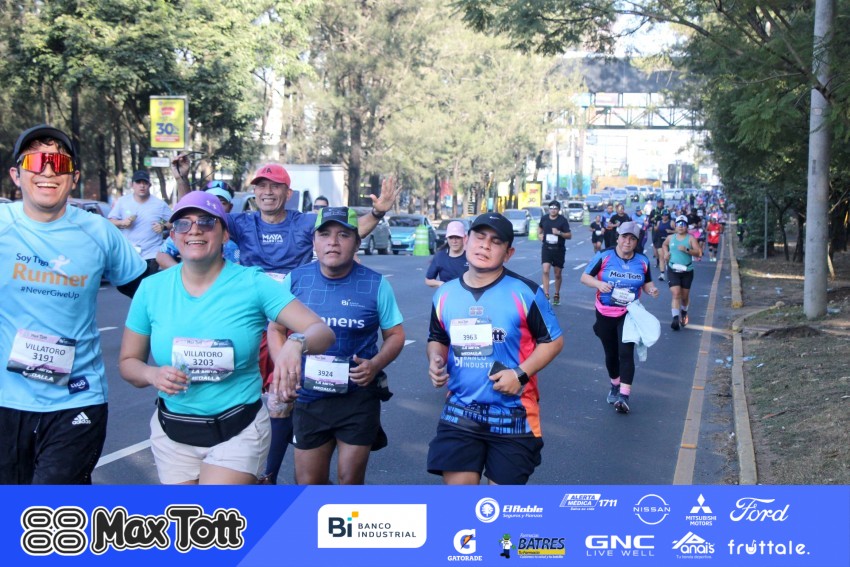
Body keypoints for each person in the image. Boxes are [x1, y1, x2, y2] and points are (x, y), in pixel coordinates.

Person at [171, 156, 399, 484]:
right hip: (251, 318)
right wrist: (182, 181)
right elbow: (196, 215)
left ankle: (268, 475)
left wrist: (377, 213)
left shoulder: (304, 223)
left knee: (282, 399)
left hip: (293, 315)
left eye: (275, 186)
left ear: (287, 193)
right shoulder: (242, 222)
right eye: (261, 186)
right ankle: (237, 469)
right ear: (253, 193)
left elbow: (344, 233)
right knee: (234, 390)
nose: (267, 192)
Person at [118, 191, 335, 484]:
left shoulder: (253, 283)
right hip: (173, 431)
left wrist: (296, 344)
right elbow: (128, 363)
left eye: (206, 222)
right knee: (186, 515)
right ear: (174, 235)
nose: (194, 230)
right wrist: (152, 374)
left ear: (224, 235)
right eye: (183, 223)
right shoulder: (151, 289)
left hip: (238, 429)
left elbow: (321, 331)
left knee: (216, 510)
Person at [1, 124, 147, 484]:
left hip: (76, 399)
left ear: (74, 177)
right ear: (17, 175)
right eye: (36, 161)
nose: (48, 171)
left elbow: (149, 293)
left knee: (52, 508)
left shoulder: (98, 232)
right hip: (6, 400)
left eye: (60, 163)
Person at [269, 207, 405, 484]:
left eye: (343, 235)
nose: (333, 242)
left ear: (357, 242)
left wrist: (375, 364)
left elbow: (395, 335)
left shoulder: (376, 284)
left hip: (357, 397)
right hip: (308, 397)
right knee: (308, 483)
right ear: (314, 241)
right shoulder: (295, 280)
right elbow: (275, 329)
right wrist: (284, 370)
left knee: (349, 480)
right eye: (325, 234)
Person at [426, 213, 564, 484]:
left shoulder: (526, 292)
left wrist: (519, 374)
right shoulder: (444, 294)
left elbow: (553, 341)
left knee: (498, 507)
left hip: (514, 415)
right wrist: (435, 359)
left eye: (496, 241)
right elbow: (437, 337)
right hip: (461, 411)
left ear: (508, 253)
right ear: (467, 241)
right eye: (479, 237)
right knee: (459, 504)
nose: (485, 245)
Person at [580, 221, 661, 414]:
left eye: (632, 239)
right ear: (618, 237)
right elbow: (585, 277)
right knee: (611, 353)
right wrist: (599, 284)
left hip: (629, 313)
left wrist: (652, 290)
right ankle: (615, 385)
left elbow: (647, 283)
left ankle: (624, 396)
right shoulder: (604, 256)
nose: (627, 242)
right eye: (625, 237)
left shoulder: (642, 261)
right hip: (605, 312)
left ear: (637, 242)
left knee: (626, 352)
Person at [156, 182, 240, 269]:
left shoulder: (232, 246)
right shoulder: (182, 234)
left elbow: (235, 268)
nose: (194, 231)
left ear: (225, 235)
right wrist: (182, 273)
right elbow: (162, 254)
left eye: (221, 202)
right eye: (208, 202)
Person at [109, 170, 173, 278]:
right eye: (138, 182)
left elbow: (174, 222)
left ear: (149, 185)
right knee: (129, 285)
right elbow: (110, 221)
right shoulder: (122, 202)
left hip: (152, 254)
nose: (142, 186)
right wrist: (122, 222)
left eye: (145, 183)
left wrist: (164, 226)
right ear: (132, 185)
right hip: (129, 253)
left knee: (147, 282)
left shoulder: (159, 204)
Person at [662, 215, 702, 330]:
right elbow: (664, 244)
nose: (680, 227)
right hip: (673, 269)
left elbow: (699, 253)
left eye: (683, 224)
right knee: (676, 293)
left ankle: (684, 312)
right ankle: (675, 318)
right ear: (675, 226)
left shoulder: (691, 239)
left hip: (687, 271)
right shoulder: (670, 238)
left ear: (686, 226)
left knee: (684, 296)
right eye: (678, 224)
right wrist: (666, 253)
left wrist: (687, 250)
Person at [537, 200, 572, 304]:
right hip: (546, 248)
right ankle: (546, 294)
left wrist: (559, 233)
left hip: (558, 249)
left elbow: (569, 235)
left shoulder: (562, 220)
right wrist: (539, 235)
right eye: (551, 208)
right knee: (545, 270)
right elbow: (540, 228)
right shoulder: (544, 218)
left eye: (555, 208)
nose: (553, 210)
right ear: (549, 209)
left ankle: (556, 294)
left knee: (557, 274)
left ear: (558, 210)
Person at [425, 220, 468, 287]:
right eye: (451, 238)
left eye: (458, 237)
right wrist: (442, 284)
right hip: (448, 292)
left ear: (464, 238)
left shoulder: (470, 256)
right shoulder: (440, 256)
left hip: (467, 292)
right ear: (447, 238)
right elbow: (428, 280)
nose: (454, 241)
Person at [653, 209, 675, 280]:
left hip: (669, 241)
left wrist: (671, 231)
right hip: (660, 240)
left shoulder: (671, 222)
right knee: (661, 256)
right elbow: (656, 229)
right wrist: (655, 228)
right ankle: (662, 274)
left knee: (667, 257)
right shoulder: (659, 222)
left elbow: (677, 231)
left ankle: (669, 270)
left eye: (666, 215)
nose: (664, 216)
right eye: (663, 215)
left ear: (668, 216)